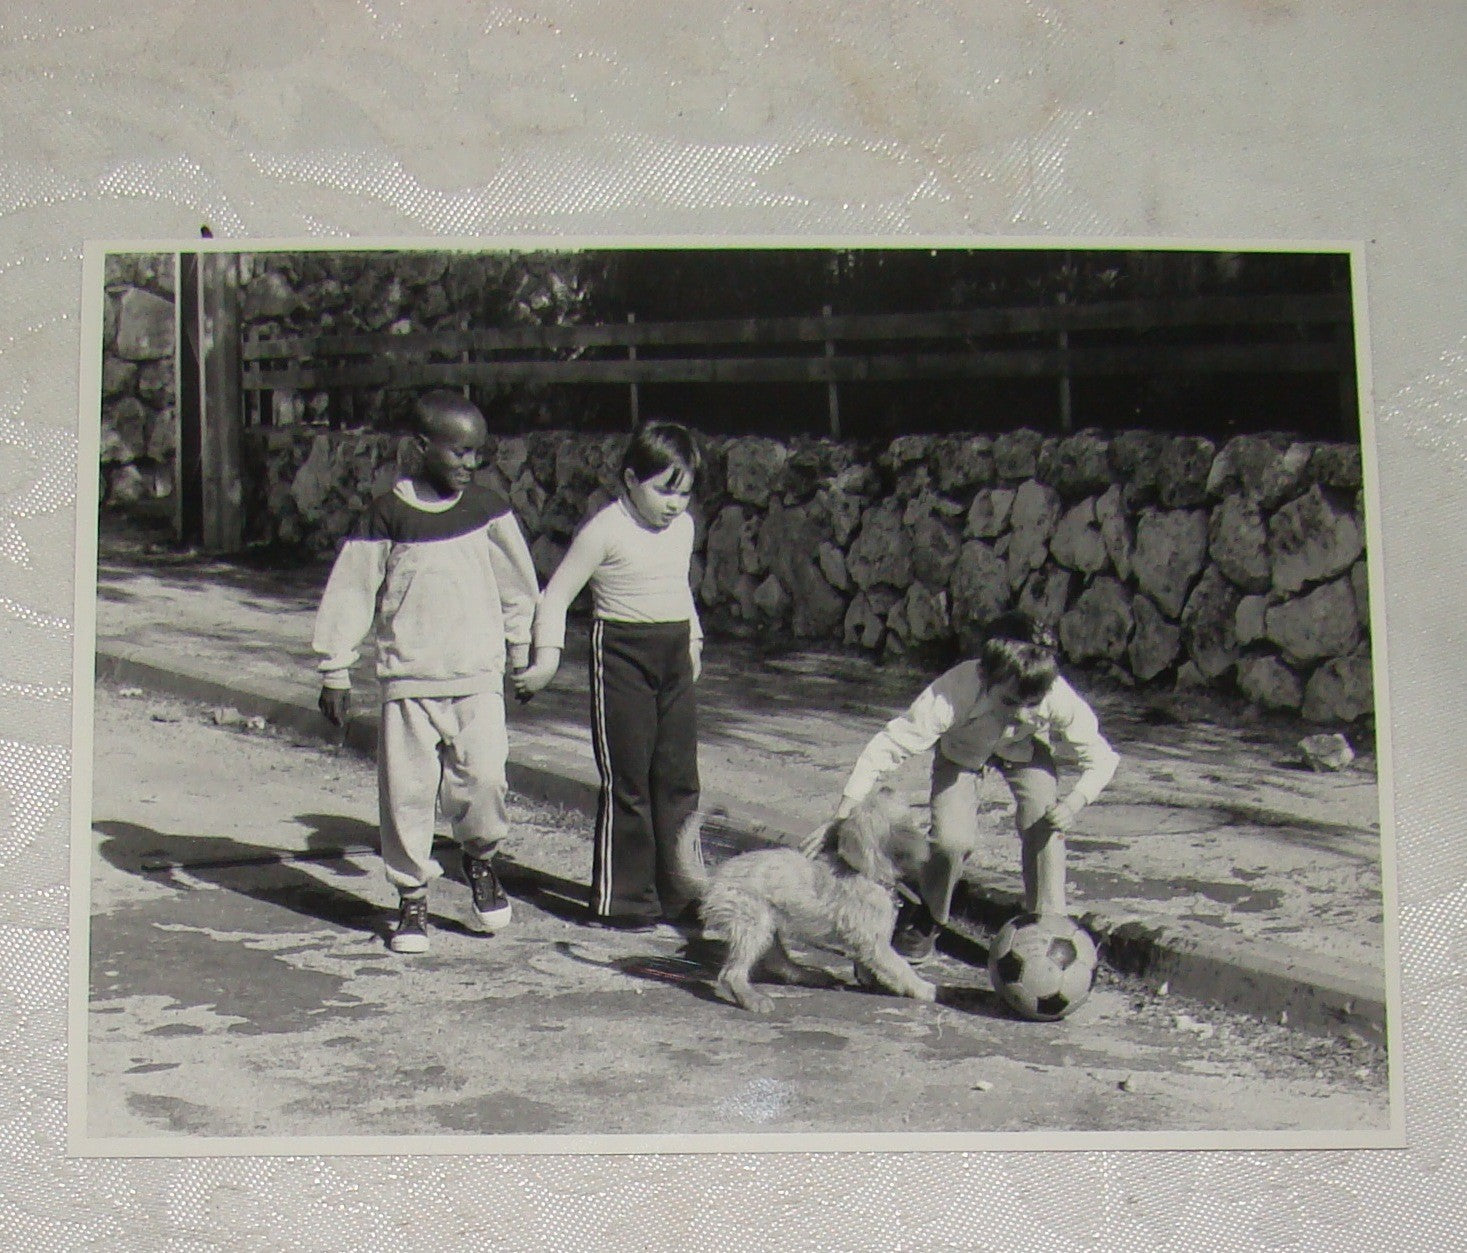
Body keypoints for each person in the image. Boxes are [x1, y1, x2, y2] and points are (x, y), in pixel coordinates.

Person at [313, 390, 539, 955]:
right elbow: (352, 594)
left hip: (477, 679)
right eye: (459, 452)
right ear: (420, 447)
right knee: (407, 795)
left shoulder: (488, 509)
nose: (469, 463)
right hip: (409, 682)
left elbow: (518, 588)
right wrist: (335, 670)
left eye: (477, 454)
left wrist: (520, 652)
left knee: (485, 780)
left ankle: (480, 861)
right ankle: (412, 897)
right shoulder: (385, 515)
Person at [831, 611, 1119, 961]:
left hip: (1024, 750)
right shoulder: (953, 691)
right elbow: (890, 744)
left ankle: (1047, 929)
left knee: (1044, 823)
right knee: (952, 841)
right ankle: (929, 914)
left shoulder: (1055, 694)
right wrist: (848, 805)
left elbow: (1104, 758)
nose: (1023, 715)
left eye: (1033, 705)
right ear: (985, 677)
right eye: (1010, 702)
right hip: (961, 752)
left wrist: (1074, 803)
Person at [513, 421, 704, 932]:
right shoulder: (603, 531)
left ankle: (684, 893)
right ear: (629, 479)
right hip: (621, 656)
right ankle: (625, 900)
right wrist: (546, 662)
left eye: (685, 493)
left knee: (680, 779)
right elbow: (554, 597)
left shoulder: (682, 529)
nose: (675, 504)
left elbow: (680, 587)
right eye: (664, 490)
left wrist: (695, 639)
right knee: (630, 781)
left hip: (673, 654)